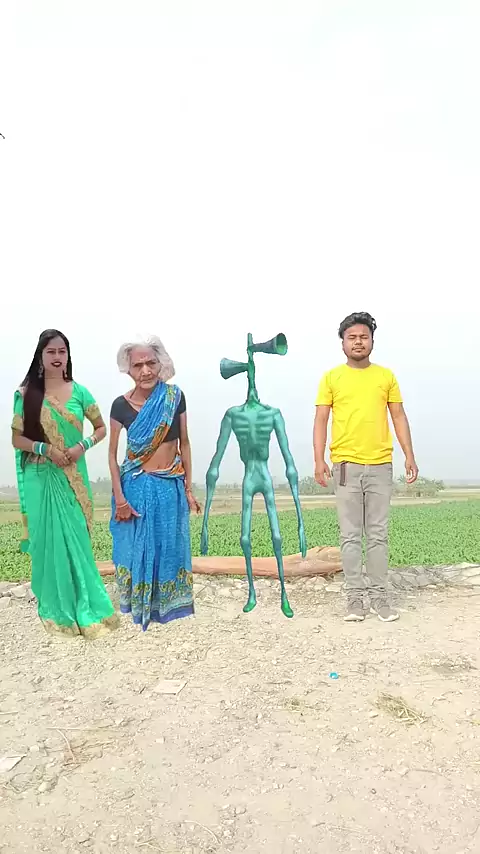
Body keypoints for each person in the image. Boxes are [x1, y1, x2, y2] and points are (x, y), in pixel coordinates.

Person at [11, 329, 119, 638]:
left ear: (68, 355)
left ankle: (87, 604)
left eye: (62, 351)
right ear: (41, 356)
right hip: (41, 477)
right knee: (48, 541)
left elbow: (100, 429)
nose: (57, 357)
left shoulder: (81, 392)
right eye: (51, 351)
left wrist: (81, 446)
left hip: (73, 476)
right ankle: (57, 609)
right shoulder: (27, 394)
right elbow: (17, 439)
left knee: (77, 538)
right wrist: (46, 449)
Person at [313, 312, 418, 623]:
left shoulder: (386, 376)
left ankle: (380, 598)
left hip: (381, 465)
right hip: (346, 465)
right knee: (350, 536)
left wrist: (409, 455)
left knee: (378, 535)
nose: (358, 342)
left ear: (372, 341)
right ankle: (355, 599)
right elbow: (321, 419)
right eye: (352, 337)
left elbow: (398, 416)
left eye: (364, 337)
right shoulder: (331, 378)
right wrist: (319, 459)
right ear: (343, 343)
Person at [109, 336, 200, 631]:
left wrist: (188, 488)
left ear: (161, 364)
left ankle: (167, 607)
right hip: (135, 488)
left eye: (151, 363)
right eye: (138, 365)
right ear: (128, 369)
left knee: (168, 546)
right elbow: (112, 456)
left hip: (169, 486)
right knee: (137, 549)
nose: (145, 370)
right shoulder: (120, 406)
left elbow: (184, 443)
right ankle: (138, 606)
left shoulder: (174, 397)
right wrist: (120, 499)